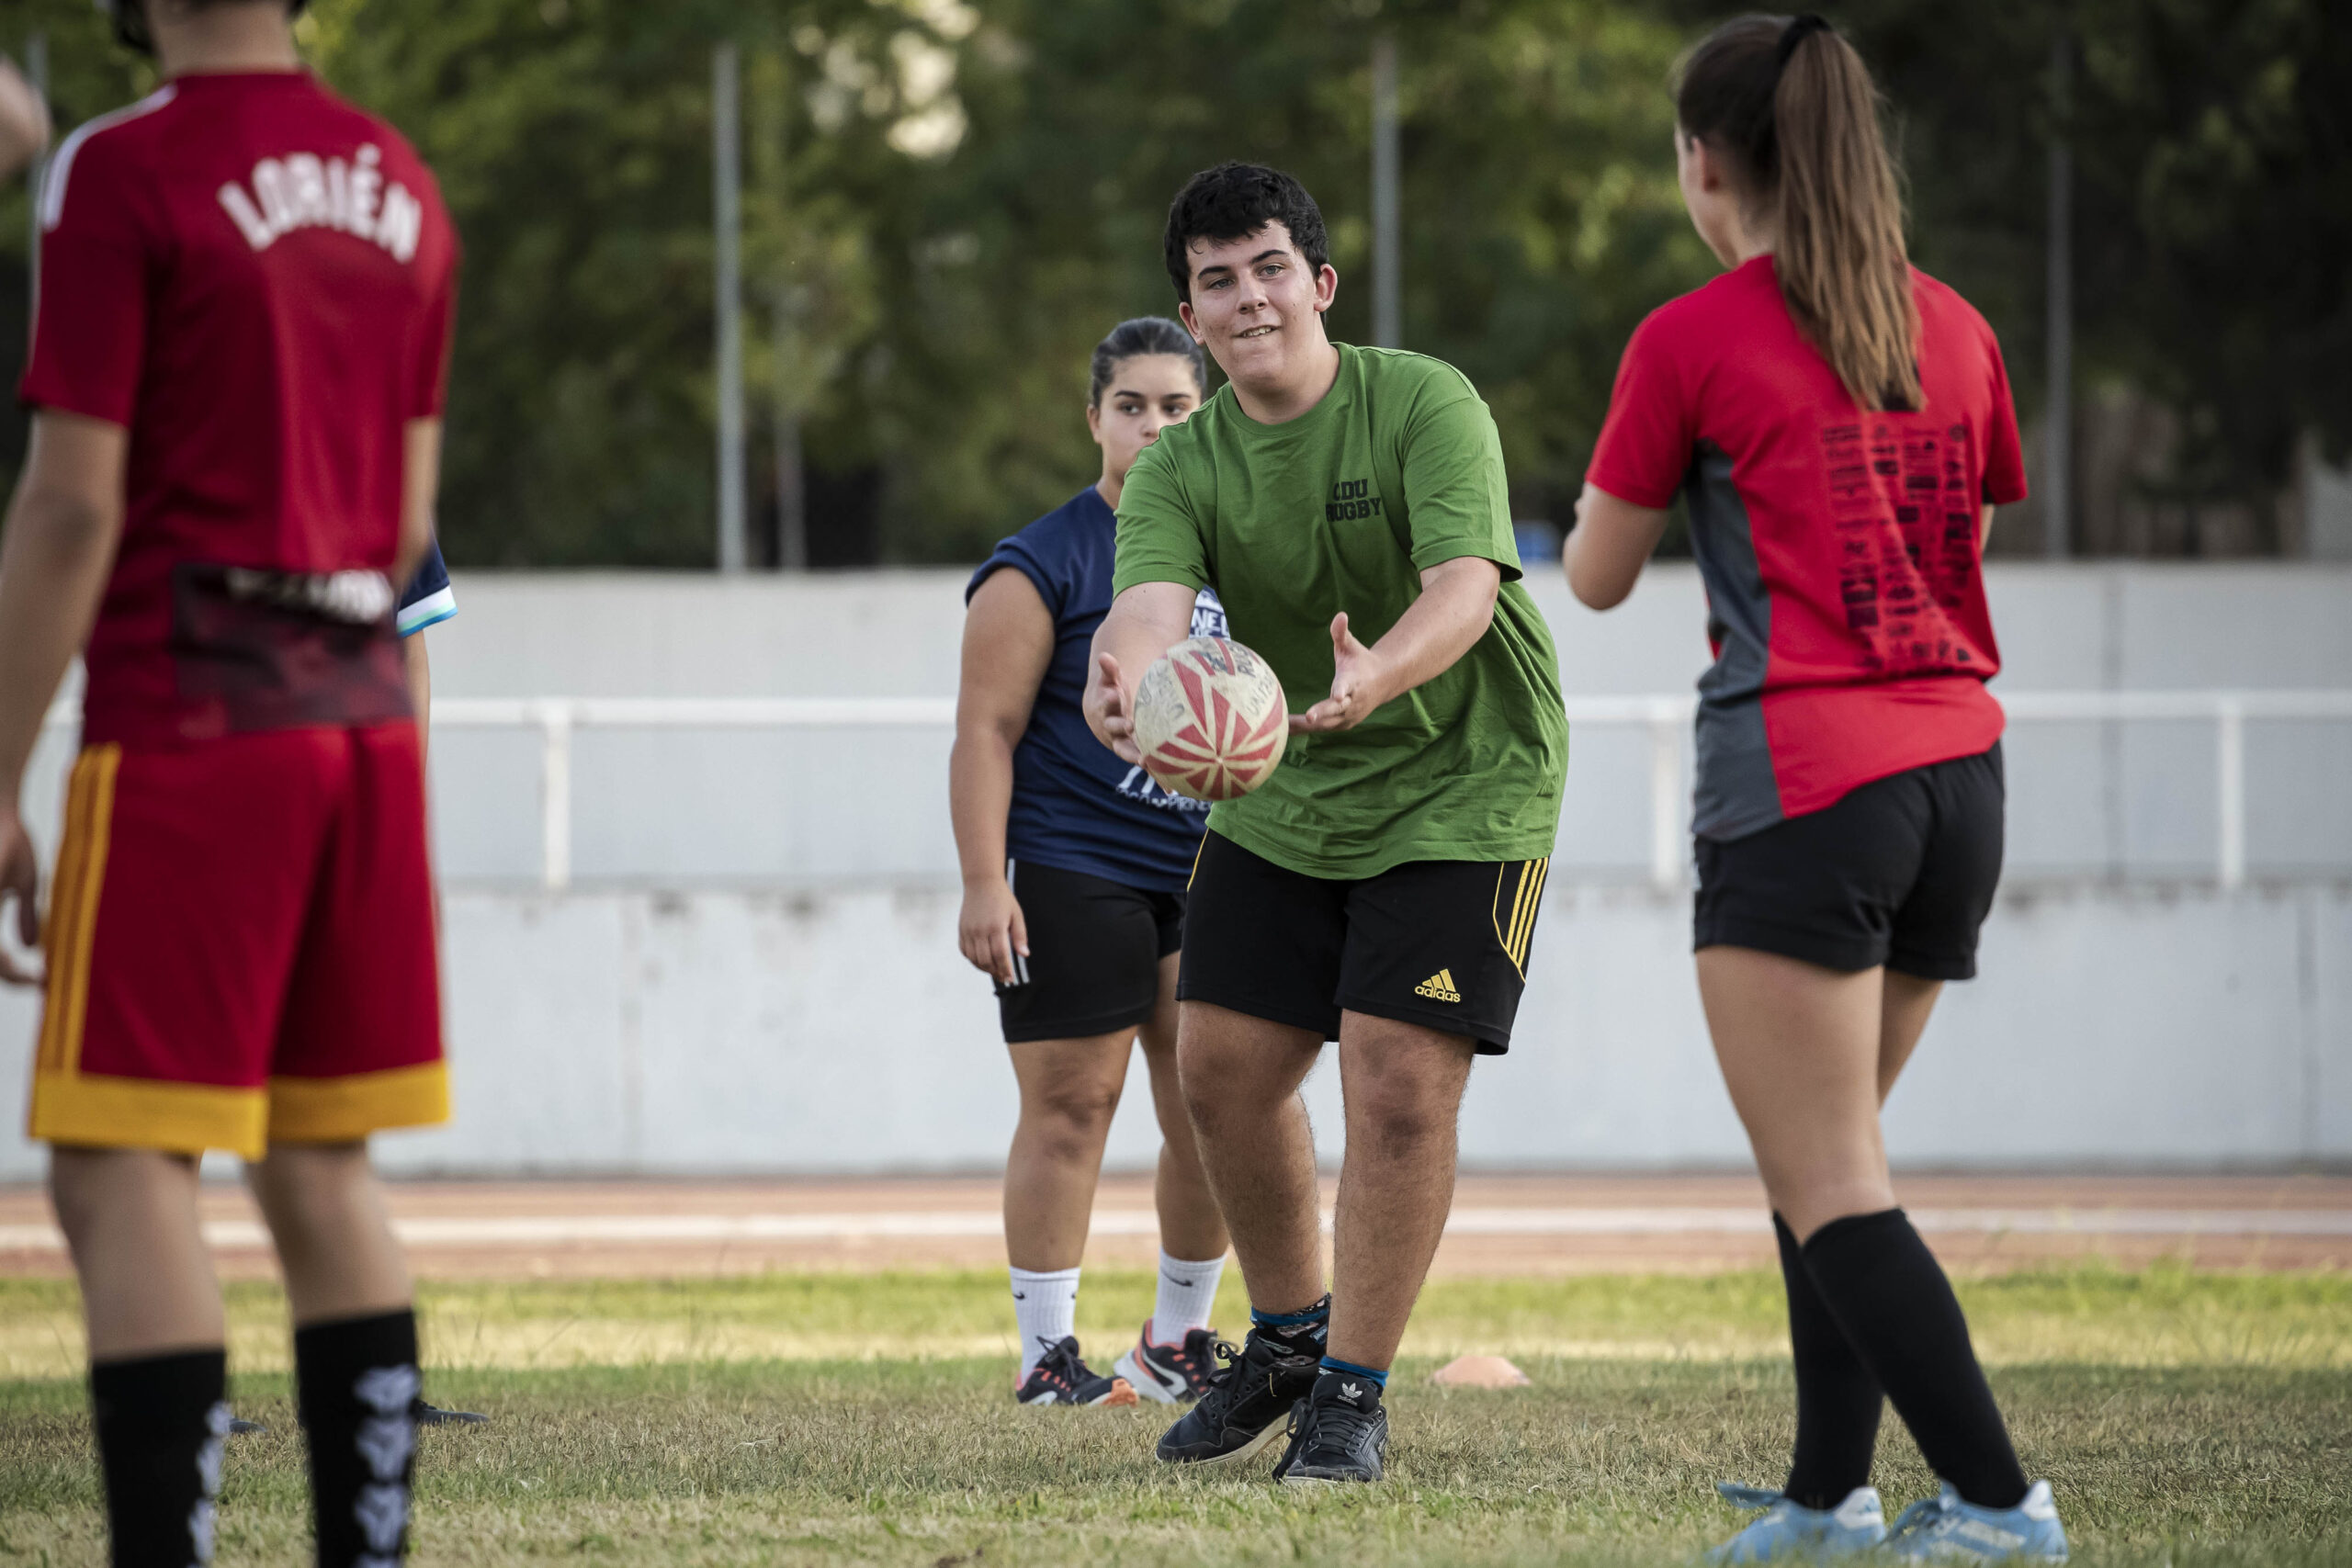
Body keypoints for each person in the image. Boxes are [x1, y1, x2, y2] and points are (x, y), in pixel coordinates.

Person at [1566, 15, 2067, 1562]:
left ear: (1705, 163)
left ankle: (2000, 1504)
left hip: (1803, 780)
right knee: (1828, 1156)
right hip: (1958, 781)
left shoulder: (1692, 337)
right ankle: (1827, 1497)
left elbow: (1591, 575)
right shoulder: (1962, 329)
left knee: (1830, 1171)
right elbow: (1961, 554)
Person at [0, 2, 459, 1563]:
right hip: (363, 727)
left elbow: (70, 510)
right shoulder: (402, 182)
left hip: (194, 719)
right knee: (321, 1165)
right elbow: (401, 535)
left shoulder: (116, 169)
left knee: (119, 1163)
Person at [1085, 163, 1566, 1484]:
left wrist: (1375, 672)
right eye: (1216, 281)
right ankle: (1291, 1335)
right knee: (1221, 1068)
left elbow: (1466, 588)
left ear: (1320, 281)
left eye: (1268, 268)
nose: (1247, 299)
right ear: (1190, 309)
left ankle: (1351, 1390)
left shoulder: (1423, 400)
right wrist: (1125, 681)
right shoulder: (1181, 463)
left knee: (1400, 1080)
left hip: (1467, 780)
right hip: (1287, 788)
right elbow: (1148, 612)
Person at [952, 318, 1233, 1407]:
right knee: (1076, 1101)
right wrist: (985, 880)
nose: (1155, 426)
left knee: (1214, 1103)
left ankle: (1174, 1346)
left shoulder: (1232, 551)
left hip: (1211, 869)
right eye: (1132, 405)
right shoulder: (1040, 564)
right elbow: (984, 732)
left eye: (1176, 406)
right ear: (1094, 420)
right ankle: (1044, 1357)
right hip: (1078, 865)